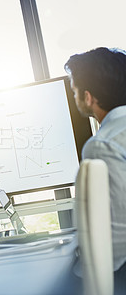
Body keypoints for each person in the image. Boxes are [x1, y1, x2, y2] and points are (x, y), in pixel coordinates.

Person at [64, 47, 126, 294]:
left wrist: (77, 271)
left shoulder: (103, 145)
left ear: (88, 97)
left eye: (76, 91)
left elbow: (119, 234)